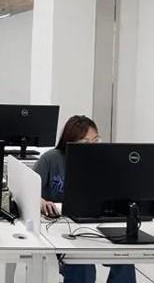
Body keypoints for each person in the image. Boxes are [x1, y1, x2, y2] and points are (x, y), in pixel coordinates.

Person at [34, 115, 136, 283]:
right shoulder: (51, 159)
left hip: (95, 225)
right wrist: (41, 202)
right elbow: (27, 190)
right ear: (70, 141)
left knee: (125, 258)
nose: (92, 146)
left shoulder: (105, 161)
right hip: (60, 228)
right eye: (86, 142)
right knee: (81, 262)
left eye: (96, 140)